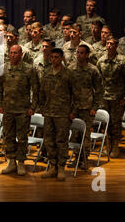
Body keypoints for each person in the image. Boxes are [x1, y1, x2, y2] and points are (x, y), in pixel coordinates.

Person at [0, 45, 39, 176]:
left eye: (15, 53)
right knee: (8, 136)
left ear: (21, 54)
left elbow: (35, 89)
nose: (13, 55)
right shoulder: (4, 68)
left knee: (22, 138)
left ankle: (21, 163)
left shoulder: (29, 69)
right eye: (11, 53)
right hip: (8, 109)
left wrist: (33, 107)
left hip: (23, 110)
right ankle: (11, 161)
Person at [39, 48, 74, 181]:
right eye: (52, 57)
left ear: (61, 58)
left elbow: (74, 94)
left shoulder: (68, 74)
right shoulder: (47, 73)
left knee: (61, 141)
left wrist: (72, 111)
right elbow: (41, 92)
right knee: (49, 140)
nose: (54, 60)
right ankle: (52, 166)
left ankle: (61, 167)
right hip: (49, 112)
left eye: (56, 57)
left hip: (63, 113)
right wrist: (42, 107)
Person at [68, 44, 104, 169]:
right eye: (77, 52)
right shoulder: (71, 69)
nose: (79, 55)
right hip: (74, 107)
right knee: (75, 134)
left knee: (85, 135)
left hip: (87, 107)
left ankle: (84, 159)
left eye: (82, 53)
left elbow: (99, 90)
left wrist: (95, 107)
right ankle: (76, 158)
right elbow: (67, 90)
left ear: (87, 55)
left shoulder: (93, 70)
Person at [97, 36, 125, 158]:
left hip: (118, 97)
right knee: (106, 122)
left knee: (116, 123)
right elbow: (99, 80)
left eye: (112, 44)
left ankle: (115, 146)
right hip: (105, 97)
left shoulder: (123, 61)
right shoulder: (101, 61)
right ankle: (108, 145)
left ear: (116, 46)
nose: (109, 46)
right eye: (107, 44)